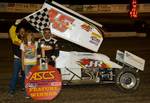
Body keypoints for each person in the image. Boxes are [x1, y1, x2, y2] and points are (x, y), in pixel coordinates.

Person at [8, 19, 25, 96]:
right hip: (17, 60)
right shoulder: (15, 38)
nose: (22, 32)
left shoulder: (27, 39)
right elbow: (11, 31)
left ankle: (23, 87)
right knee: (15, 75)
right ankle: (11, 90)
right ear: (18, 32)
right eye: (21, 31)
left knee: (24, 74)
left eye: (23, 31)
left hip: (25, 60)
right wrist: (15, 24)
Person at [20, 30, 38, 98]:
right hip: (26, 64)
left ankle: (34, 93)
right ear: (26, 36)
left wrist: (36, 64)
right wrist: (22, 66)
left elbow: (36, 54)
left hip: (34, 63)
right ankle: (27, 93)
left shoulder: (35, 43)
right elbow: (22, 55)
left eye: (30, 35)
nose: (29, 36)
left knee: (34, 79)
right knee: (27, 79)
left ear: (32, 36)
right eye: (28, 35)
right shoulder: (23, 44)